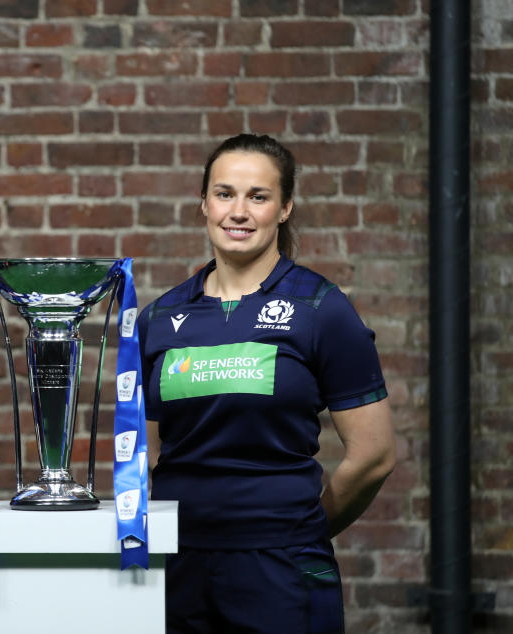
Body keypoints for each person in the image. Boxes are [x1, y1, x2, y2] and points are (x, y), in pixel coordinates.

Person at [136, 133, 396, 633]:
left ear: (284, 208)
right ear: (204, 204)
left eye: (258, 196)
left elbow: (374, 454)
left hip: (281, 567)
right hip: (178, 564)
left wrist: (303, 530)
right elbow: (147, 457)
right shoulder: (160, 317)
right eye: (225, 194)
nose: (239, 211)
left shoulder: (320, 309)